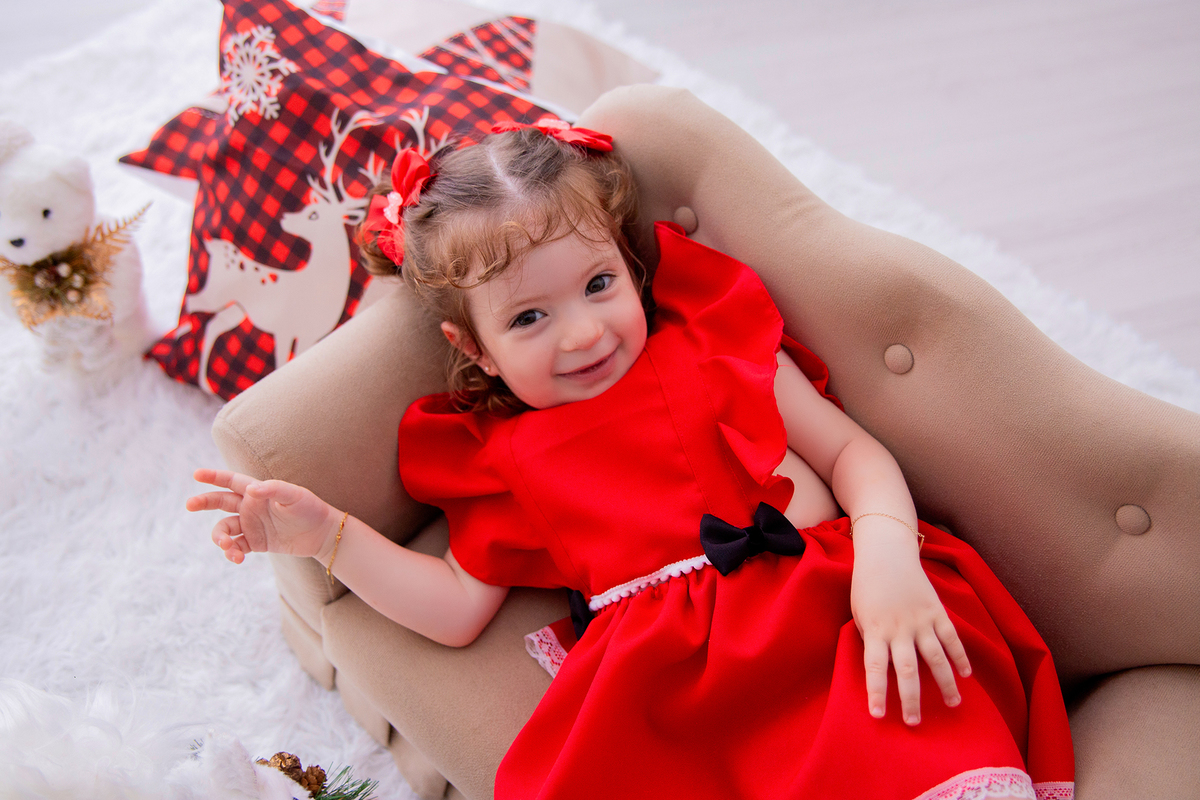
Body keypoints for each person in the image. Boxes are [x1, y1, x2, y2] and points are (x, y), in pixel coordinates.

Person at [188, 118, 1075, 799]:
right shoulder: (498, 454)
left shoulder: (715, 343)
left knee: (916, 733)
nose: (581, 334)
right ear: (478, 349)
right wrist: (325, 534)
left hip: (843, 622)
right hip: (678, 702)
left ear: (629, 266)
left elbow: (854, 458)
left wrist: (887, 556)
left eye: (599, 286)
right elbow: (456, 607)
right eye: (528, 319)